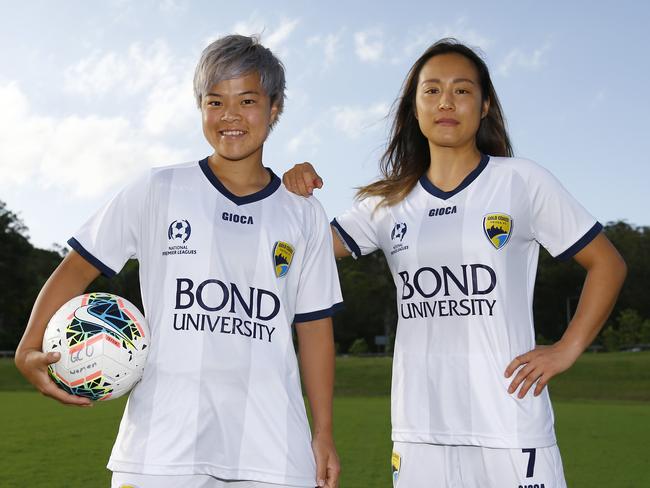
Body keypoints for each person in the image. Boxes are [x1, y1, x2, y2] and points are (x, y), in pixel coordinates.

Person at [282, 38, 626, 487]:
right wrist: (292, 190)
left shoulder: (520, 181)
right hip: (419, 433)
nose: (446, 101)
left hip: (510, 426)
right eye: (432, 90)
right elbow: (297, 248)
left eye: (462, 90)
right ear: (414, 106)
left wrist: (567, 348)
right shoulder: (388, 203)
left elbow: (608, 263)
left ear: (484, 106)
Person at [15, 35, 343, 488]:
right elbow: (76, 266)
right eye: (215, 101)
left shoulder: (302, 211)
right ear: (200, 107)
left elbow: (314, 325)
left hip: (272, 452)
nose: (230, 115)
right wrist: (29, 344)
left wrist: (323, 433)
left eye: (247, 100)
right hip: (159, 450)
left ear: (274, 108)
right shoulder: (158, 189)